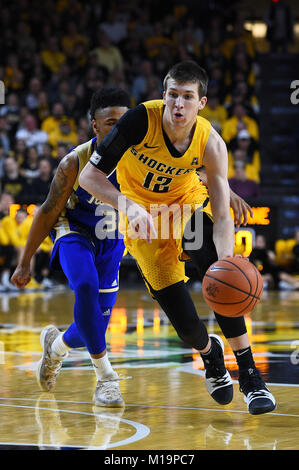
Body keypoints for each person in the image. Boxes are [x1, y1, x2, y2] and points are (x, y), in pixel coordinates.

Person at [79, 61, 276, 415]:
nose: (179, 105)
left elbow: (220, 215)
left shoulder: (211, 143)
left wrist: (226, 261)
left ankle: (249, 376)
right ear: (164, 96)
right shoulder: (138, 121)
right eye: (173, 95)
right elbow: (89, 178)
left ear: (201, 103)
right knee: (187, 328)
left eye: (188, 97)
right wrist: (130, 208)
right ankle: (210, 354)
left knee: (223, 278)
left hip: (185, 208)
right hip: (144, 222)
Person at [11, 87, 132, 408]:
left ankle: (55, 347)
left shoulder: (140, 162)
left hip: (111, 239)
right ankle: (106, 379)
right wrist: (24, 264)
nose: (118, 129)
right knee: (85, 286)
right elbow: (46, 211)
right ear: (95, 125)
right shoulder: (73, 162)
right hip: (73, 231)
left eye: (124, 122)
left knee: (92, 326)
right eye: (110, 123)